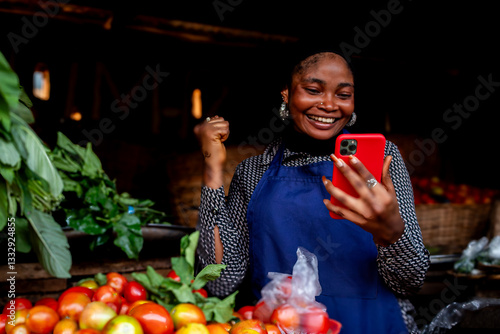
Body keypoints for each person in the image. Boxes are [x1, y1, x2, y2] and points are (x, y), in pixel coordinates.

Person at [194, 47, 430, 334]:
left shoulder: (380, 162)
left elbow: (411, 280)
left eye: (343, 95)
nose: (329, 104)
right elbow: (219, 282)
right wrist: (212, 170)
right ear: (286, 94)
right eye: (313, 90)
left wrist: (392, 235)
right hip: (278, 327)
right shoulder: (252, 173)